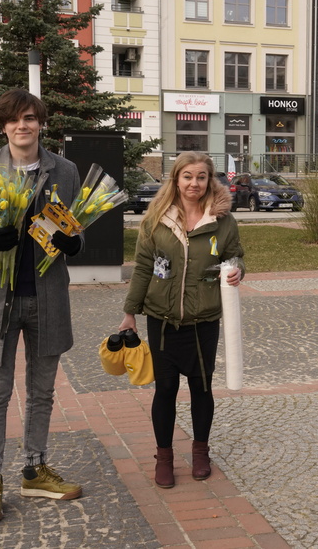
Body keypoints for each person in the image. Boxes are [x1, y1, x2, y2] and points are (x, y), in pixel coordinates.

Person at [0, 89, 84, 523]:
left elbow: (76, 226)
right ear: (3, 125)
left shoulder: (63, 170)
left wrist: (74, 243)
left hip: (47, 297)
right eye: (13, 120)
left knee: (42, 391)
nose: (22, 126)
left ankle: (34, 468)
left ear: (40, 122)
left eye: (29, 118)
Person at [119, 151, 244, 488]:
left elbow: (234, 256)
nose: (194, 183)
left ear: (210, 180)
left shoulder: (223, 221)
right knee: (166, 389)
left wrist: (236, 271)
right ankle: (164, 456)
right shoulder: (156, 218)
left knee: (201, 387)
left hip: (204, 318)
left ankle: (200, 451)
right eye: (187, 176)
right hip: (162, 318)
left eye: (201, 176)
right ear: (176, 179)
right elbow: (144, 267)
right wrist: (130, 312)